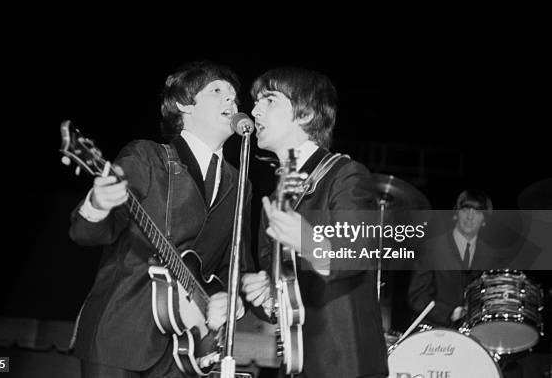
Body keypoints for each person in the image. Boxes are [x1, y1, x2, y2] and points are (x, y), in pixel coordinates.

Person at [68, 61, 251, 378]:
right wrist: (98, 204)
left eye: (234, 97)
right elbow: (88, 233)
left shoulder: (240, 183)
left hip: (189, 349)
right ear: (183, 104)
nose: (231, 101)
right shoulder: (147, 157)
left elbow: (235, 263)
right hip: (121, 334)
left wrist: (231, 300)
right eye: (217, 91)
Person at [241, 67, 388, 378]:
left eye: (269, 100)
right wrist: (264, 294)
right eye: (256, 102)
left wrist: (307, 241)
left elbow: (356, 253)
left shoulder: (345, 175)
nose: (254, 110)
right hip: (295, 364)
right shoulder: (276, 193)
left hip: (346, 365)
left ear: (305, 114)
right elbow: (282, 292)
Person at [408, 189, 495, 327]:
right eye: (465, 210)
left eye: (478, 212)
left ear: (485, 220)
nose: (470, 217)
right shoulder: (432, 248)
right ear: (455, 214)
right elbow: (417, 297)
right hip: (434, 333)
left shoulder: (490, 256)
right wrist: (451, 313)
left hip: (475, 335)